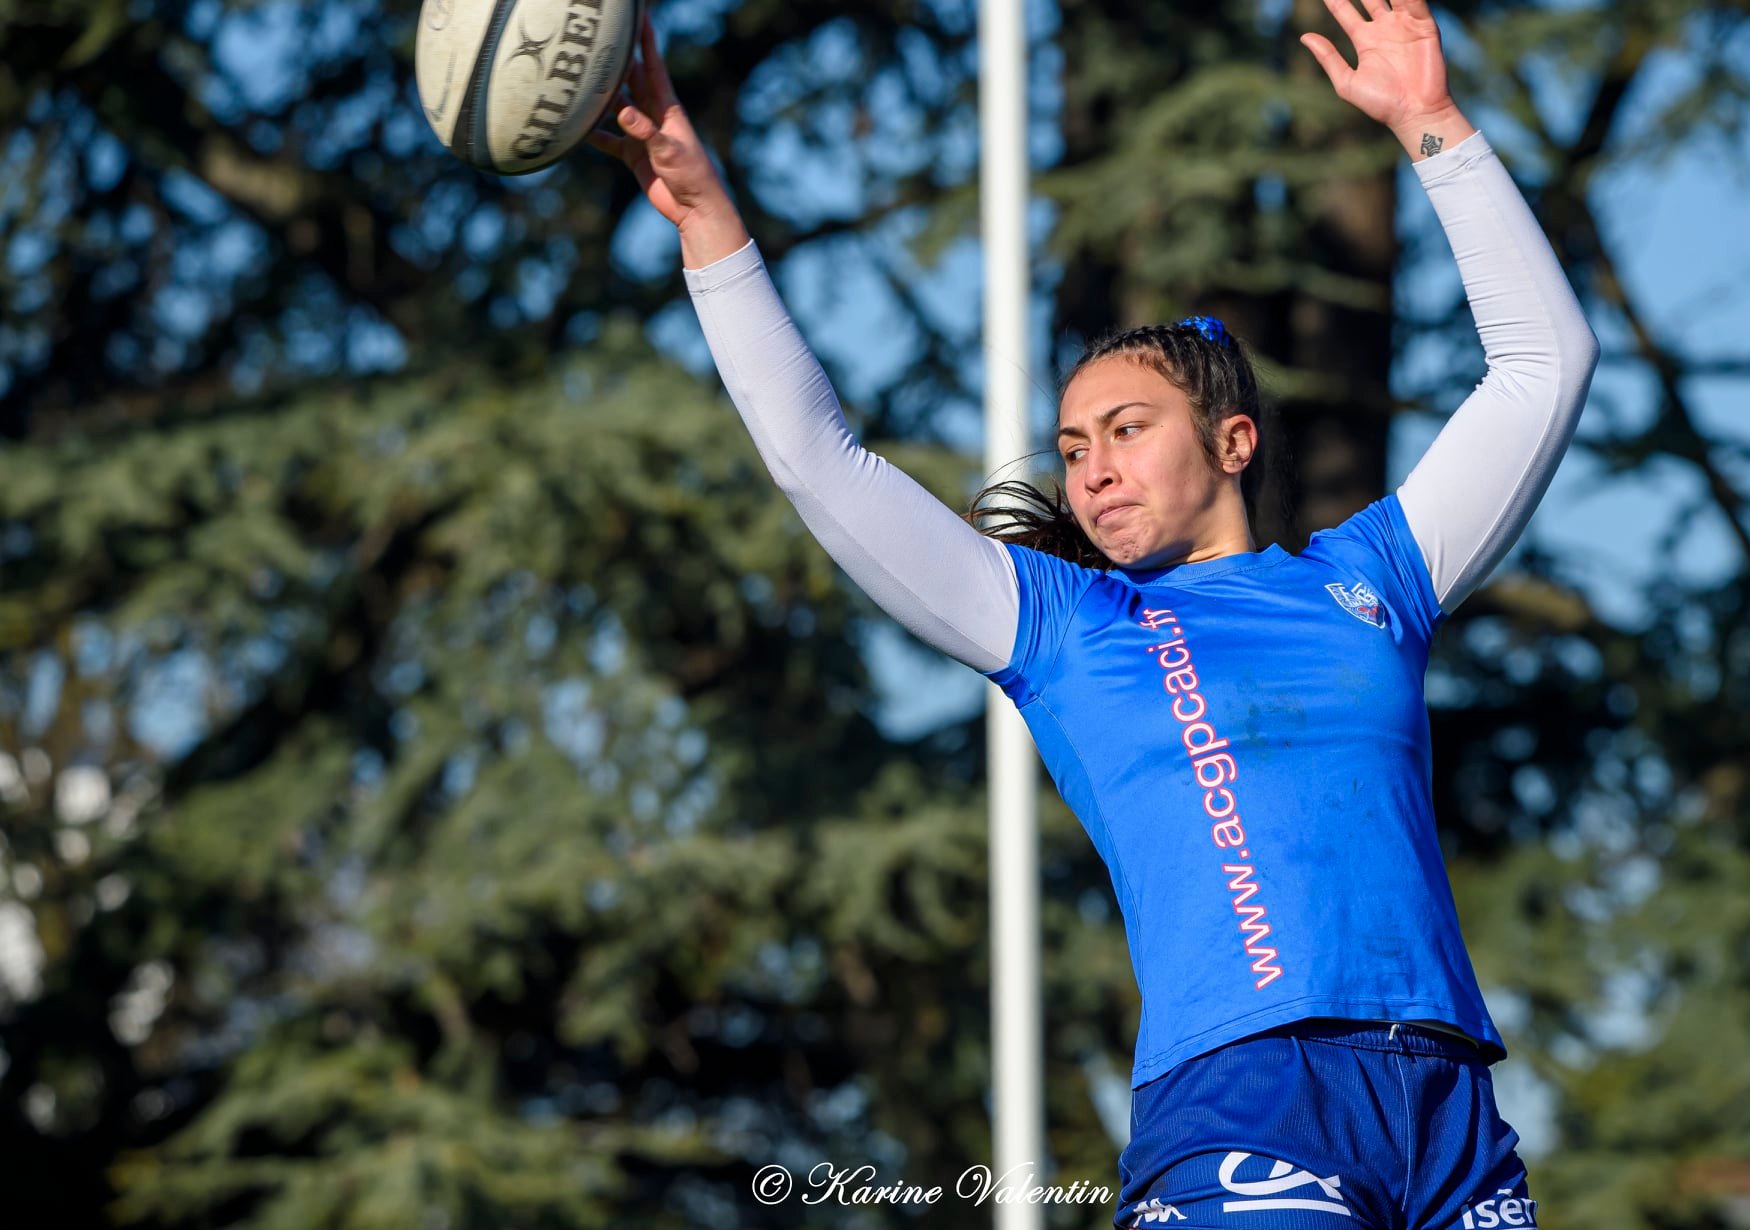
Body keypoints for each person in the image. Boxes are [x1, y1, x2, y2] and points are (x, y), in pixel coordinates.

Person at [594, 1, 1597, 1225]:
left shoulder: (1374, 579)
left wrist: (1434, 128)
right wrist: (709, 219)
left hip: (1449, 1114)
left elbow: (1544, 366)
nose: (1092, 471)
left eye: (1127, 430)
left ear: (1235, 440)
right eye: (1073, 448)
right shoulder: (1071, 627)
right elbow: (822, 462)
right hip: (1247, 1104)